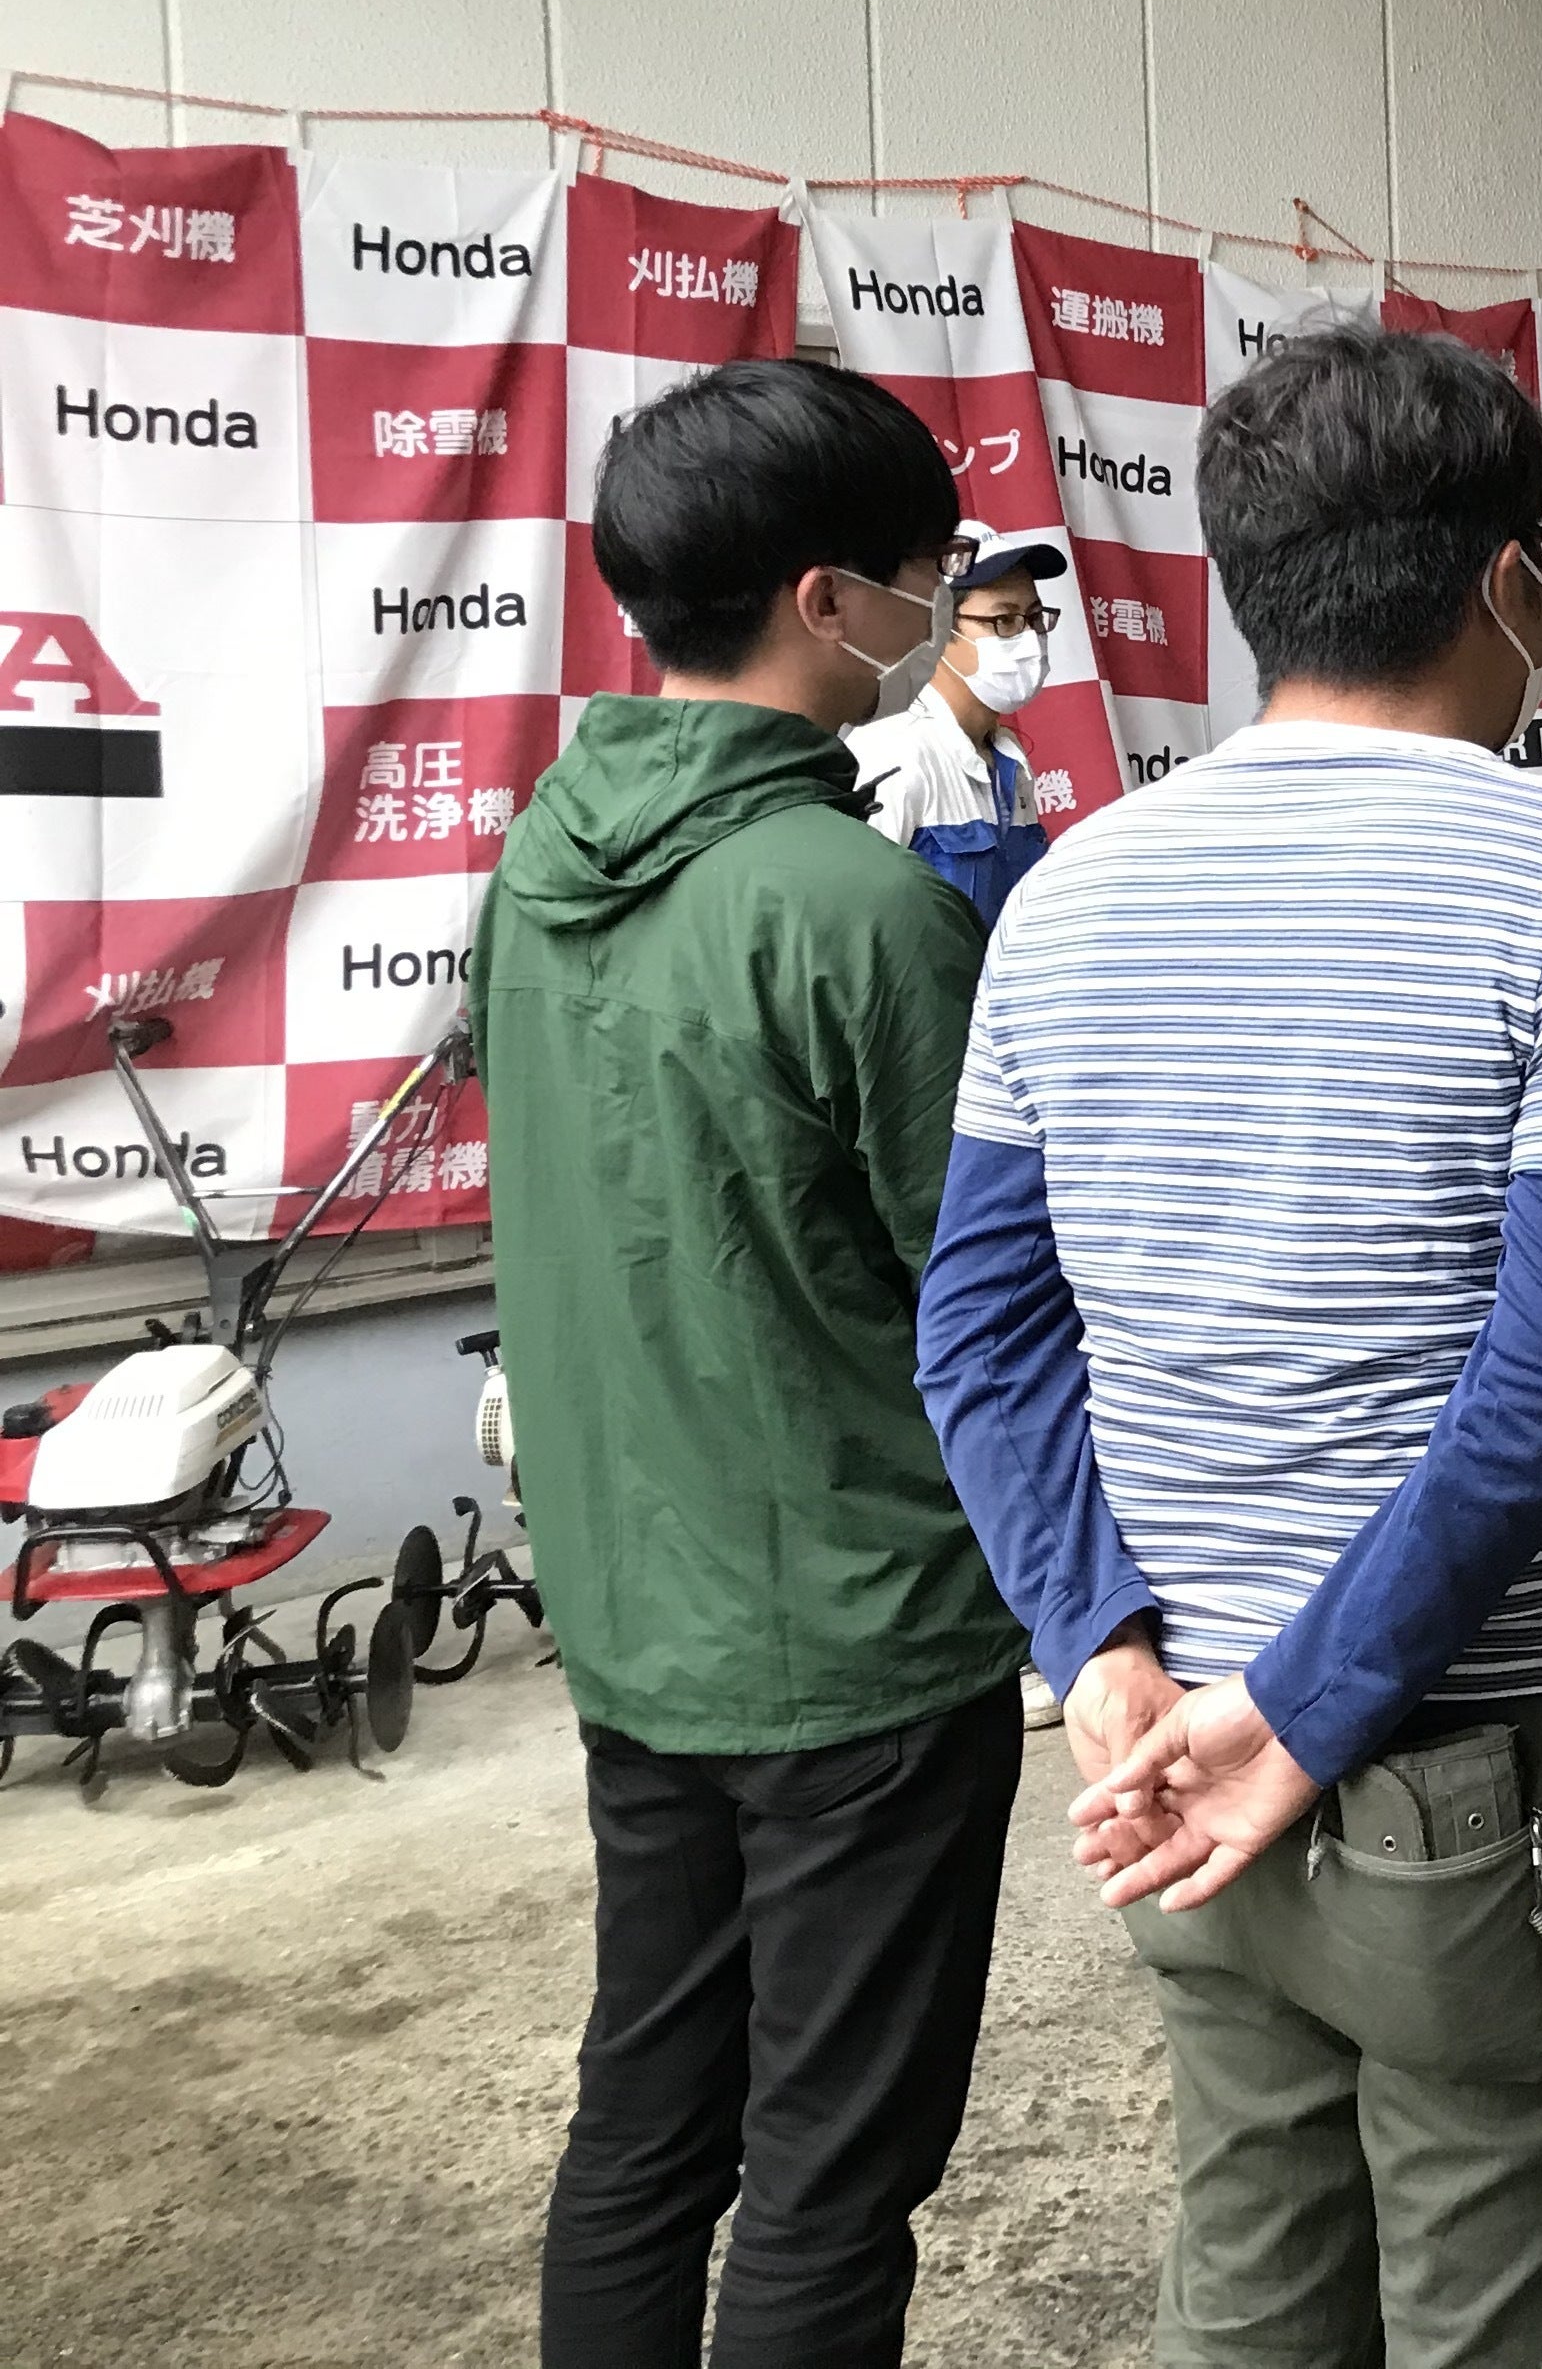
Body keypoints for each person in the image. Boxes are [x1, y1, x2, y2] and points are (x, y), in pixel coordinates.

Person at [915, 311, 1542, 2368]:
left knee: (1256, 2281)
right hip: (1470, 1774)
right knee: (1502, 2300)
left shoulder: (1070, 895)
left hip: (1172, 1749)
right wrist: (1303, 1711)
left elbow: (980, 1335)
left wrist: (1101, 1647)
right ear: (1511, 578)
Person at [474, 358, 1030, 2369]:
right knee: (827, 2175)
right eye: (929, 573)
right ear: (828, 599)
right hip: (859, 1638)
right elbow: (987, 1297)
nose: (947, 609)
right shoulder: (857, 907)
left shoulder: (538, 867)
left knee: (644, 2118)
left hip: (639, 1612)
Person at [852, 537, 1066, 926]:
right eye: (1005, 621)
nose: (1030, 640)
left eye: (1035, 618)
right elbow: (851, 923)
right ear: (936, 626)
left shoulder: (1008, 759)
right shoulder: (892, 755)